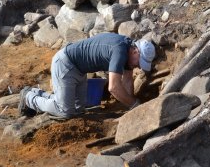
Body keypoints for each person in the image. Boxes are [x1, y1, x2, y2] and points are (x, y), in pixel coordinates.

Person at [18, 33, 156, 118]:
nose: (138, 66)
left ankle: (37, 93)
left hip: (79, 70)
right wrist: (135, 105)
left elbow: (126, 80)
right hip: (66, 64)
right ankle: (28, 97)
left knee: (78, 109)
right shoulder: (119, 51)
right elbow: (113, 87)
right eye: (140, 62)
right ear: (135, 52)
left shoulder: (128, 48)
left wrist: (131, 105)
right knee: (65, 111)